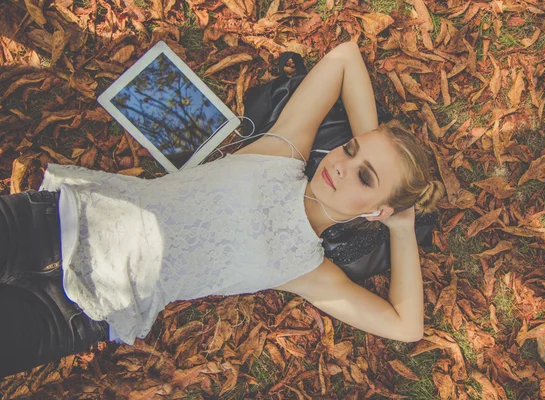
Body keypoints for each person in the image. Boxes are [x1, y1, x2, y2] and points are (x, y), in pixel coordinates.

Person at [0, 41, 444, 378]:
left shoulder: (307, 270)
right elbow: (345, 56)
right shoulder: (280, 152)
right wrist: (376, 142)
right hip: (54, 222)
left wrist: (400, 228)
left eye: (365, 177)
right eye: (349, 149)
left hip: (75, 313)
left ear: (376, 210)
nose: (342, 167)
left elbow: (406, 326)